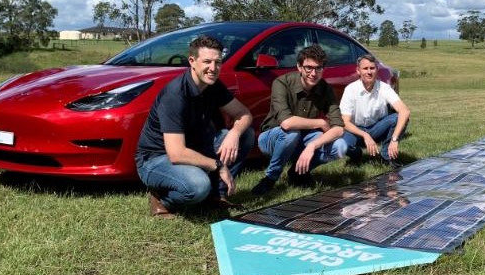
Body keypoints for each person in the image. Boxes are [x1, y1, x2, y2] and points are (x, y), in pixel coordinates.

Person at [135, 36, 254, 218]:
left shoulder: (213, 85)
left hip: (193, 147)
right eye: (207, 61)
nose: (213, 68)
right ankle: (162, 199)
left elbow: (244, 114)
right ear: (192, 61)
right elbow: (176, 153)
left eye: (218, 62)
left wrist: (235, 133)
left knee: (245, 134)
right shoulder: (175, 94)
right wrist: (218, 166)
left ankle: (216, 196)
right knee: (198, 186)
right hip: (156, 159)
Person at [251, 45, 347, 195]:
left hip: (305, 138)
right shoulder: (281, 83)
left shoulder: (325, 89)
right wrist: (321, 123)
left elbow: (339, 128)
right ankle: (270, 178)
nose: (313, 73)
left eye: (318, 68)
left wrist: (312, 146)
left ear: (323, 69)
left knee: (340, 146)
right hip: (273, 138)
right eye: (308, 68)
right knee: (292, 132)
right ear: (299, 67)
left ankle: (298, 172)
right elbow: (287, 123)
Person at [339, 54, 410, 168]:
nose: (369, 72)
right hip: (356, 131)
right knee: (342, 144)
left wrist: (395, 139)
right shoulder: (350, 89)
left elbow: (405, 111)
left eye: (372, 68)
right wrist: (365, 135)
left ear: (377, 70)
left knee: (398, 117)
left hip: (377, 128)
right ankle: (356, 155)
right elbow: (344, 122)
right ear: (358, 71)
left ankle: (386, 155)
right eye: (365, 68)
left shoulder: (384, 88)